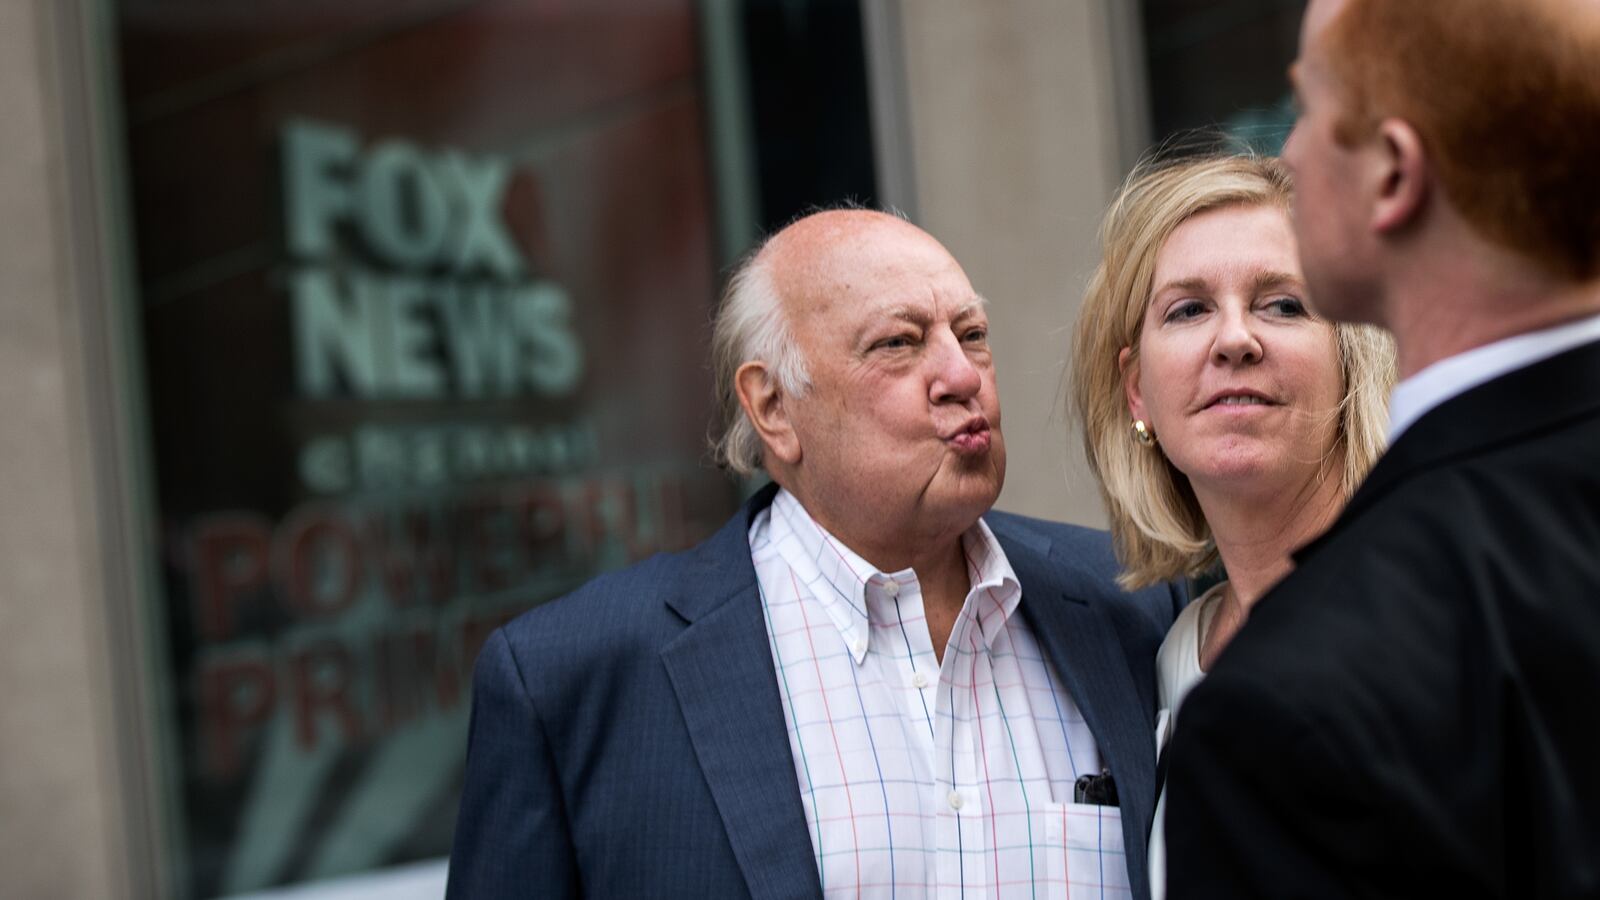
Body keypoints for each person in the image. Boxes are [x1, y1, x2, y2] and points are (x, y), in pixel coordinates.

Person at [447, 209, 1187, 899]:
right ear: (772, 407)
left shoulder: (1136, 606)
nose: (963, 376)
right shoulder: (573, 679)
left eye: (972, 333)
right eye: (898, 343)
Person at [1163, 1, 1600, 897]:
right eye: (1187, 309)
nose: (1285, 155)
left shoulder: (1283, 707)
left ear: (1394, 174)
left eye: (1309, 113)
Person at [1070, 154, 1393, 900]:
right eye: (1188, 310)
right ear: (1136, 391)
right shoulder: (1181, 656)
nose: (1236, 339)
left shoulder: (1443, 605)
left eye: (1284, 304)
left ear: (1351, 357)